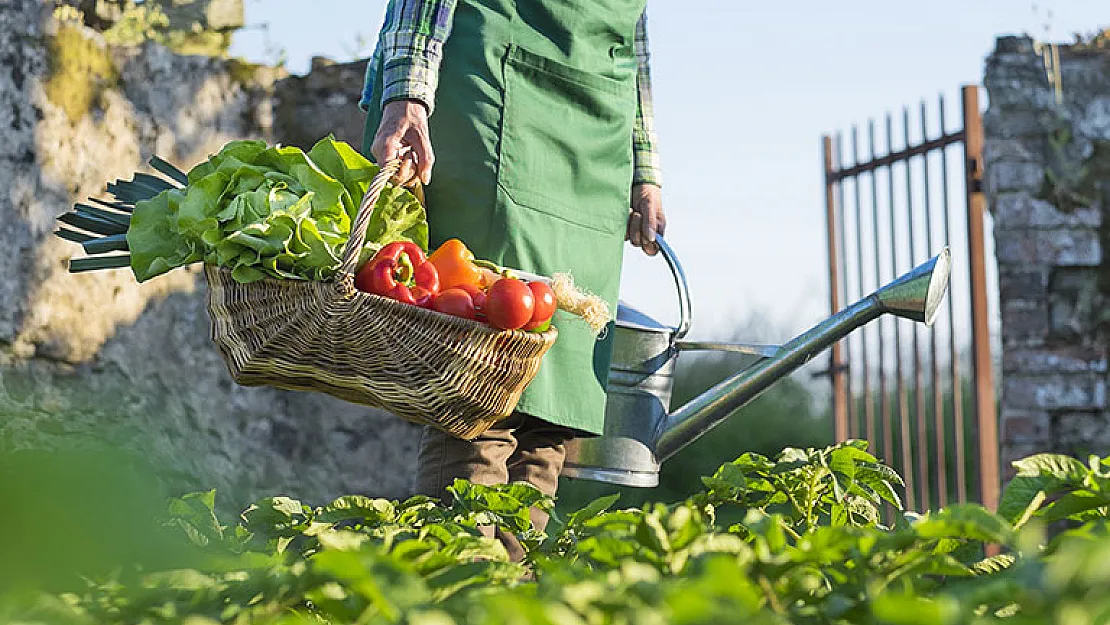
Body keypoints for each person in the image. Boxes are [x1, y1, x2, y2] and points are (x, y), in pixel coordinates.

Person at [359, 0, 666, 562]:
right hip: (495, 86)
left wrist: (644, 165)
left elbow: (635, 26)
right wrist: (406, 92)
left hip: (599, 124)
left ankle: (516, 600)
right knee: (481, 388)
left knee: (554, 413)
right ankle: (462, 594)